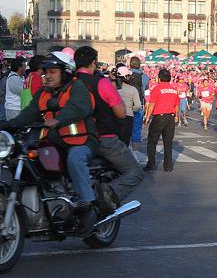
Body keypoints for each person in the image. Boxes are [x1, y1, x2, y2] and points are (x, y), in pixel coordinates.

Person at [6, 52, 98, 234]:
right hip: (54, 143)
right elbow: (28, 114)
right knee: (25, 158)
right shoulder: (43, 93)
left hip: (82, 142)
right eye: (45, 72)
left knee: (74, 159)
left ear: (65, 72)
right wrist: (9, 125)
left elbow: (79, 106)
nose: (47, 76)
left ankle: (87, 206)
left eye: (52, 72)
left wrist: (59, 119)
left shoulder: (77, 87)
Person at [74, 46, 144, 214]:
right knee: (135, 172)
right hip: (103, 137)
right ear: (93, 63)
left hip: (74, 137)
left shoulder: (69, 82)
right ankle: (108, 193)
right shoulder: (100, 83)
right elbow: (120, 113)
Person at [144, 69, 180, 172]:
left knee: (152, 141)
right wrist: (176, 116)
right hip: (170, 117)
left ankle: (151, 164)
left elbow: (151, 104)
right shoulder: (173, 89)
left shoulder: (157, 88)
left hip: (159, 117)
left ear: (159, 78)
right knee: (168, 142)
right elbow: (177, 105)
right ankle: (168, 166)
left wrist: (147, 118)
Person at [129, 56, 150, 161]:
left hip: (126, 105)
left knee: (125, 127)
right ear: (139, 65)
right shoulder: (145, 77)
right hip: (139, 104)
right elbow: (146, 88)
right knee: (137, 129)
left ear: (130, 64)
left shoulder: (126, 74)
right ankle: (135, 153)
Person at [115, 66, 141, 146]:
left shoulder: (113, 87)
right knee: (125, 143)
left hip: (114, 116)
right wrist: (130, 108)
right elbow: (138, 106)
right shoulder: (132, 89)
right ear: (126, 77)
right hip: (128, 116)